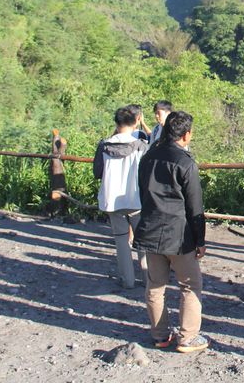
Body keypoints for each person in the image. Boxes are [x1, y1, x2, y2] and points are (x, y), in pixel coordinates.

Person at [133, 111, 209, 353]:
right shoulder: (186, 162)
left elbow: (142, 191)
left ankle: (160, 335)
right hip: (179, 235)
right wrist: (200, 240)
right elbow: (195, 206)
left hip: (150, 230)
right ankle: (188, 338)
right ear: (186, 135)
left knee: (155, 286)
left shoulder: (148, 157)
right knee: (190, 285)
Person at [93, 107, 149, 289]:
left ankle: (128, 281)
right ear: (135, 124)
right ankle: (149, 279)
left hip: (112, 199)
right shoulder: (141, 145)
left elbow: (97, 172)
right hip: (136, 199)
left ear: (116, 124)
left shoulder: (104, 145)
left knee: (121, 241)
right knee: (143, 241)